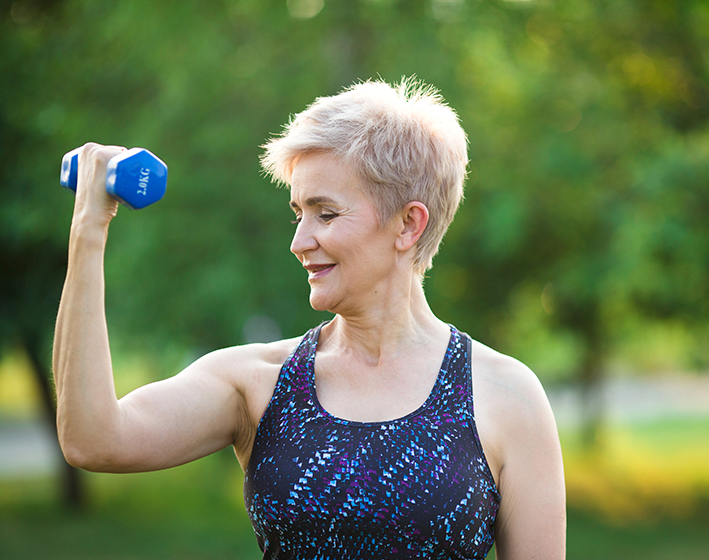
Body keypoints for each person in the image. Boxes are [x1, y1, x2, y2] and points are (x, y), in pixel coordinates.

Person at [53, 78, 566, 559]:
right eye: (297, 212)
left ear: (408, 224)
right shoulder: (258, 385)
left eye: (325, 213)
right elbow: (93, 439)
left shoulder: (506, 396)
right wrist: (89, 228)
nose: (299, 242)